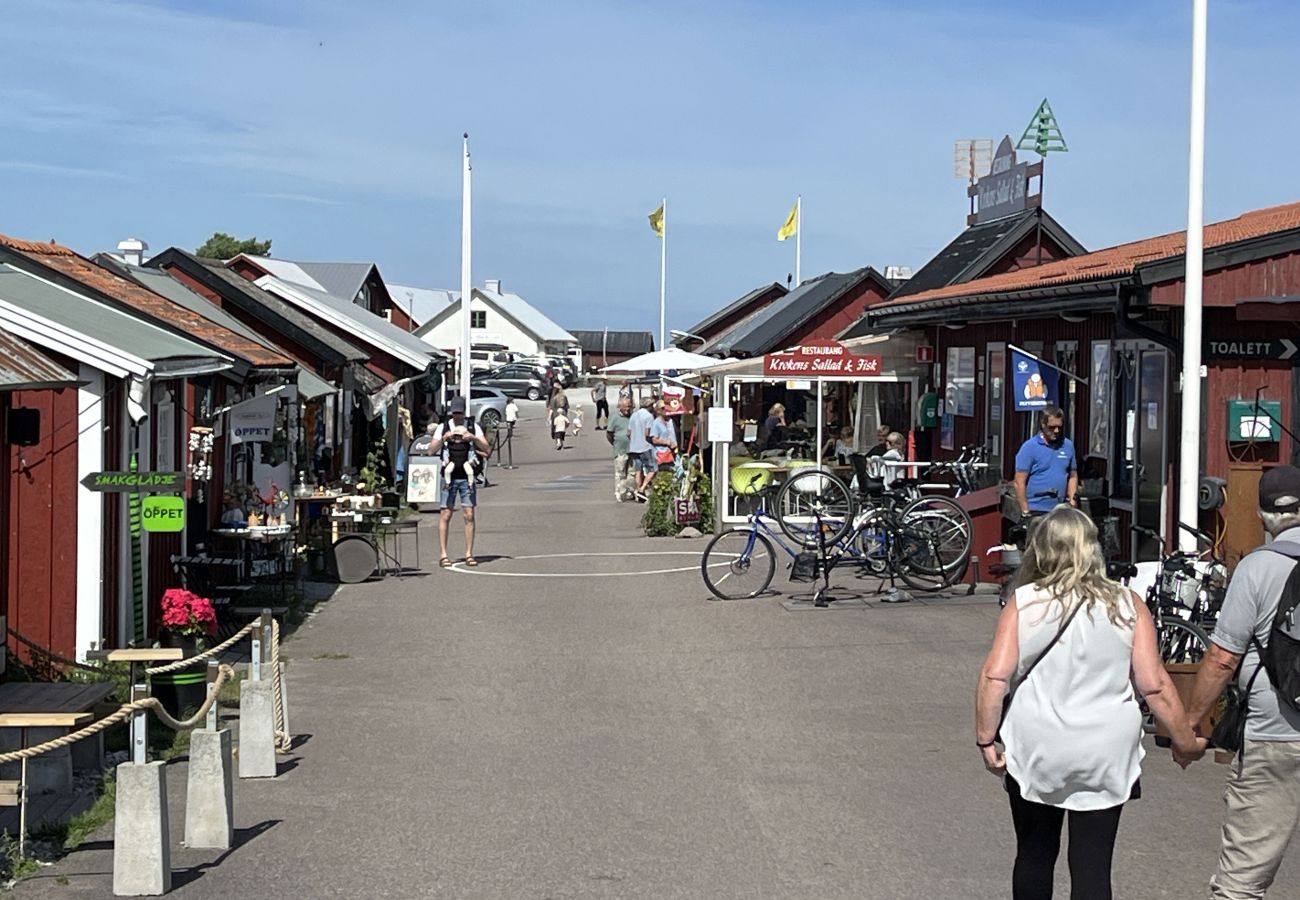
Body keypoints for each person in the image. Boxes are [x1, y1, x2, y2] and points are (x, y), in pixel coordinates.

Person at [975, 506, 1204, 899]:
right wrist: (1185, 740)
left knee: (1034, 853)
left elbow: (995, 676)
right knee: (1093, 864)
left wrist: (985, 739)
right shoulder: (1128, 603)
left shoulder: (1025, 601)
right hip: (1104, 750)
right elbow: (1154, 685)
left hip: (1038, 745)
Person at [1181, 465, 1300, 899]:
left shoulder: (1256, 568)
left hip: (1273, 733)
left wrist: (1192, 725)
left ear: (1265, 515)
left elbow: (1221, 659)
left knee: (1241, 882)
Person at [428, 396, 490, 568]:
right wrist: (444, 438)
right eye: (454, 413)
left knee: (469, 515)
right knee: (445, 514)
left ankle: (469, 553)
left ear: (464, 412)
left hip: (466, 475)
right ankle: (443, 554)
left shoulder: (472, 427)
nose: (457, 416)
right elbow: (430, 451)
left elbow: (487, 449)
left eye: (460, 412)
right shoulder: (443, 427)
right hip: (449, 475)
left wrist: (473, 438)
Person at [1014, 406, 1078, 517]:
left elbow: (1073, 476)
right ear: (1043, 425)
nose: (1056, 431)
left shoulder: (1067, 445)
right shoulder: (1029, 447)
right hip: (1036, 509)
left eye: (1059, 427)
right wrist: (1025, 511)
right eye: (1052, 427)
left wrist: (1072, 502)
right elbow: (1019, 482)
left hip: (1060, 509)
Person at [627, 397, 656, 501]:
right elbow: (648, 433)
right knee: (653, 469)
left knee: (638, 470)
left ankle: (639, 490)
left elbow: (629, 433)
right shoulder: (649, 416)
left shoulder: (633, 415)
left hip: (634, 446)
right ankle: (642, 489)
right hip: (645, 446)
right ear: (649, 406)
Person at [607, 396, 634, 502]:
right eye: (626, 407)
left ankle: (629, 491)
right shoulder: (615, 417)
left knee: (631, 472)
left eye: (629, 407)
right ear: (620, 407)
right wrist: (616, 443)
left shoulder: (633, 416)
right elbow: (609, 433)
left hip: (632, 449)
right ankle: (619, 492)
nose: (628, 409)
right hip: (620, 449)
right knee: (620, 472)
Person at [649, 401, 678, 472]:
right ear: (658, 410)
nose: (665, 409)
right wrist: (667, 442)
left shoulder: (670, 421)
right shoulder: (656, 423)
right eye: (663, 408)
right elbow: (654, 440)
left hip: (672, 452)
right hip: (661, 453)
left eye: (667, 407)